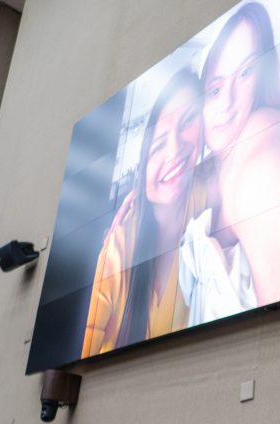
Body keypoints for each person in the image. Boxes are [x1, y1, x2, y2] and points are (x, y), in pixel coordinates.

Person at [185, 1, 280, 312]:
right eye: (214, 89)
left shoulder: (265, 140)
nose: (226, 102)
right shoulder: (206, 179)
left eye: (245, 72)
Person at [82, 69, 204, 357]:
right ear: (142, 164)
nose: (175, 149)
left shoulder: (207, 193)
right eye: (159, 144)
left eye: (188, 120)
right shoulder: (118, 250)